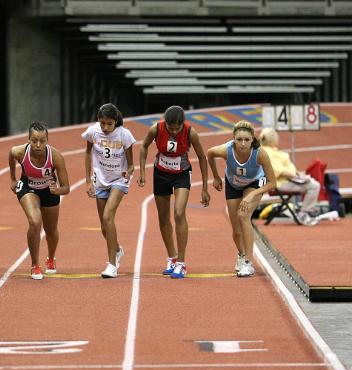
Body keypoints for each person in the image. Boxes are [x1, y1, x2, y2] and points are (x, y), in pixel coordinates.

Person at [137, 105, 210, 279]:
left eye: (178, 128)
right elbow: (143, 147)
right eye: (171, 128)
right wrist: (141, 172)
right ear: (166, 123)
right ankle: (172, 257)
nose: (175, 131)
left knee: (178, 212)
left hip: (182, 174)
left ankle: (181, 263)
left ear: (183, 124)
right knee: (163, 216)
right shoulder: (155, 129)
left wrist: (205, 188)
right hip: (161, 172)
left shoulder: (191, 133)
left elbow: (201, 157)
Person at [207, 120, 276, 277]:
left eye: (246, 140)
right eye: (239, 140)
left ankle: (248, 263)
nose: (243, 144)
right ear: (233, 139)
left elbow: (273, 183)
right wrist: (216, 177)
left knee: (243, 216)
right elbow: (209, 153)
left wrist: (252, 194)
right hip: (233, 184)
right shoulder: (226, 150)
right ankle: (241, 254)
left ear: (252, 139)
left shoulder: (260, 154)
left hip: (254, 183)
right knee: (236, 231)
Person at [9, 121, 70, 280]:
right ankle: (35, 265)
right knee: (35, 222)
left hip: (49, 191)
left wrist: (57, 190)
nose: (38, 144)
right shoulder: (20, 152)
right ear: (28, 139)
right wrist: (13, 179)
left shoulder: (55, 156)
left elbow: (66, 188)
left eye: (42, 141)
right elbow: (11, 154)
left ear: (47, 140)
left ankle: (51, 258)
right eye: (34, 140)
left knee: (51, 230)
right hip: (28, 187)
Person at [83, 103, 136, 279]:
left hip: (119, 180)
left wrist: (128, 173)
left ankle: (112, 265)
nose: (105, 127)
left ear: (116, 121)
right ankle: (118, 250)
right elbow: (87, 153)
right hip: (100, 180)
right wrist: (88, 180)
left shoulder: (124, 135)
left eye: (109, 124)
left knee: (108, 216)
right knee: (104, 228)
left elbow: (131, 164)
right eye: (103, 123)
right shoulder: (93, 132)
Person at [259, 127, 320, 226]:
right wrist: (296, 177)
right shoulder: (267, 152)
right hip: (281, 184)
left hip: (287, 181)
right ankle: (304, 213)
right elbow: (277, 171)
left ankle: (305, 211)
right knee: (314, 185)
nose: (278, 139)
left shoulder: (269, 151)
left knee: (312, 183)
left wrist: (298, 175)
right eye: (276, 137)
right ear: (272, 139)